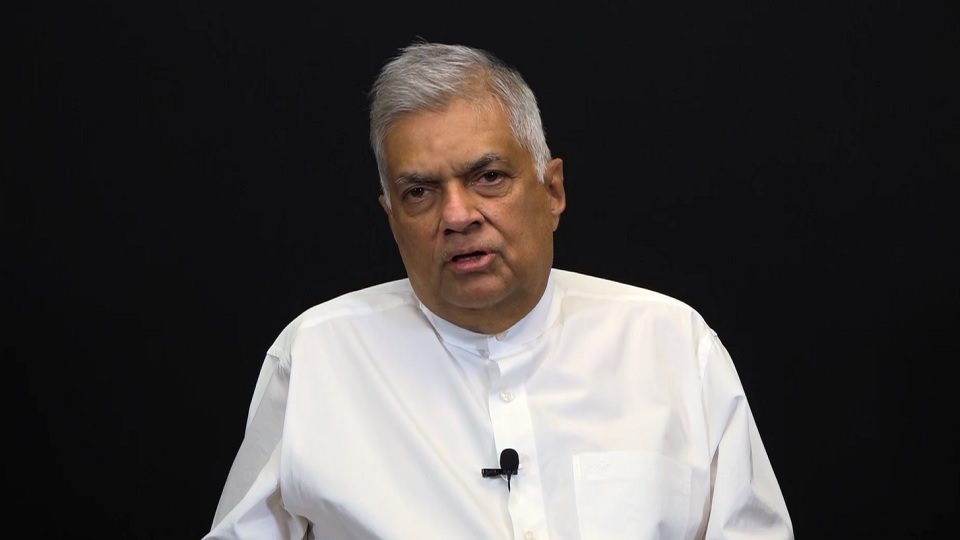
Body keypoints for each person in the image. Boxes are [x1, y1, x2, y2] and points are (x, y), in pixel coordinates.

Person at [202, 40, 794, 539]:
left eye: (488, 177)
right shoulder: (316, 357)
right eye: (419, 192)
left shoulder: (671, 343)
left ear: (552, 191)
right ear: (392, 219)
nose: (457, 216)